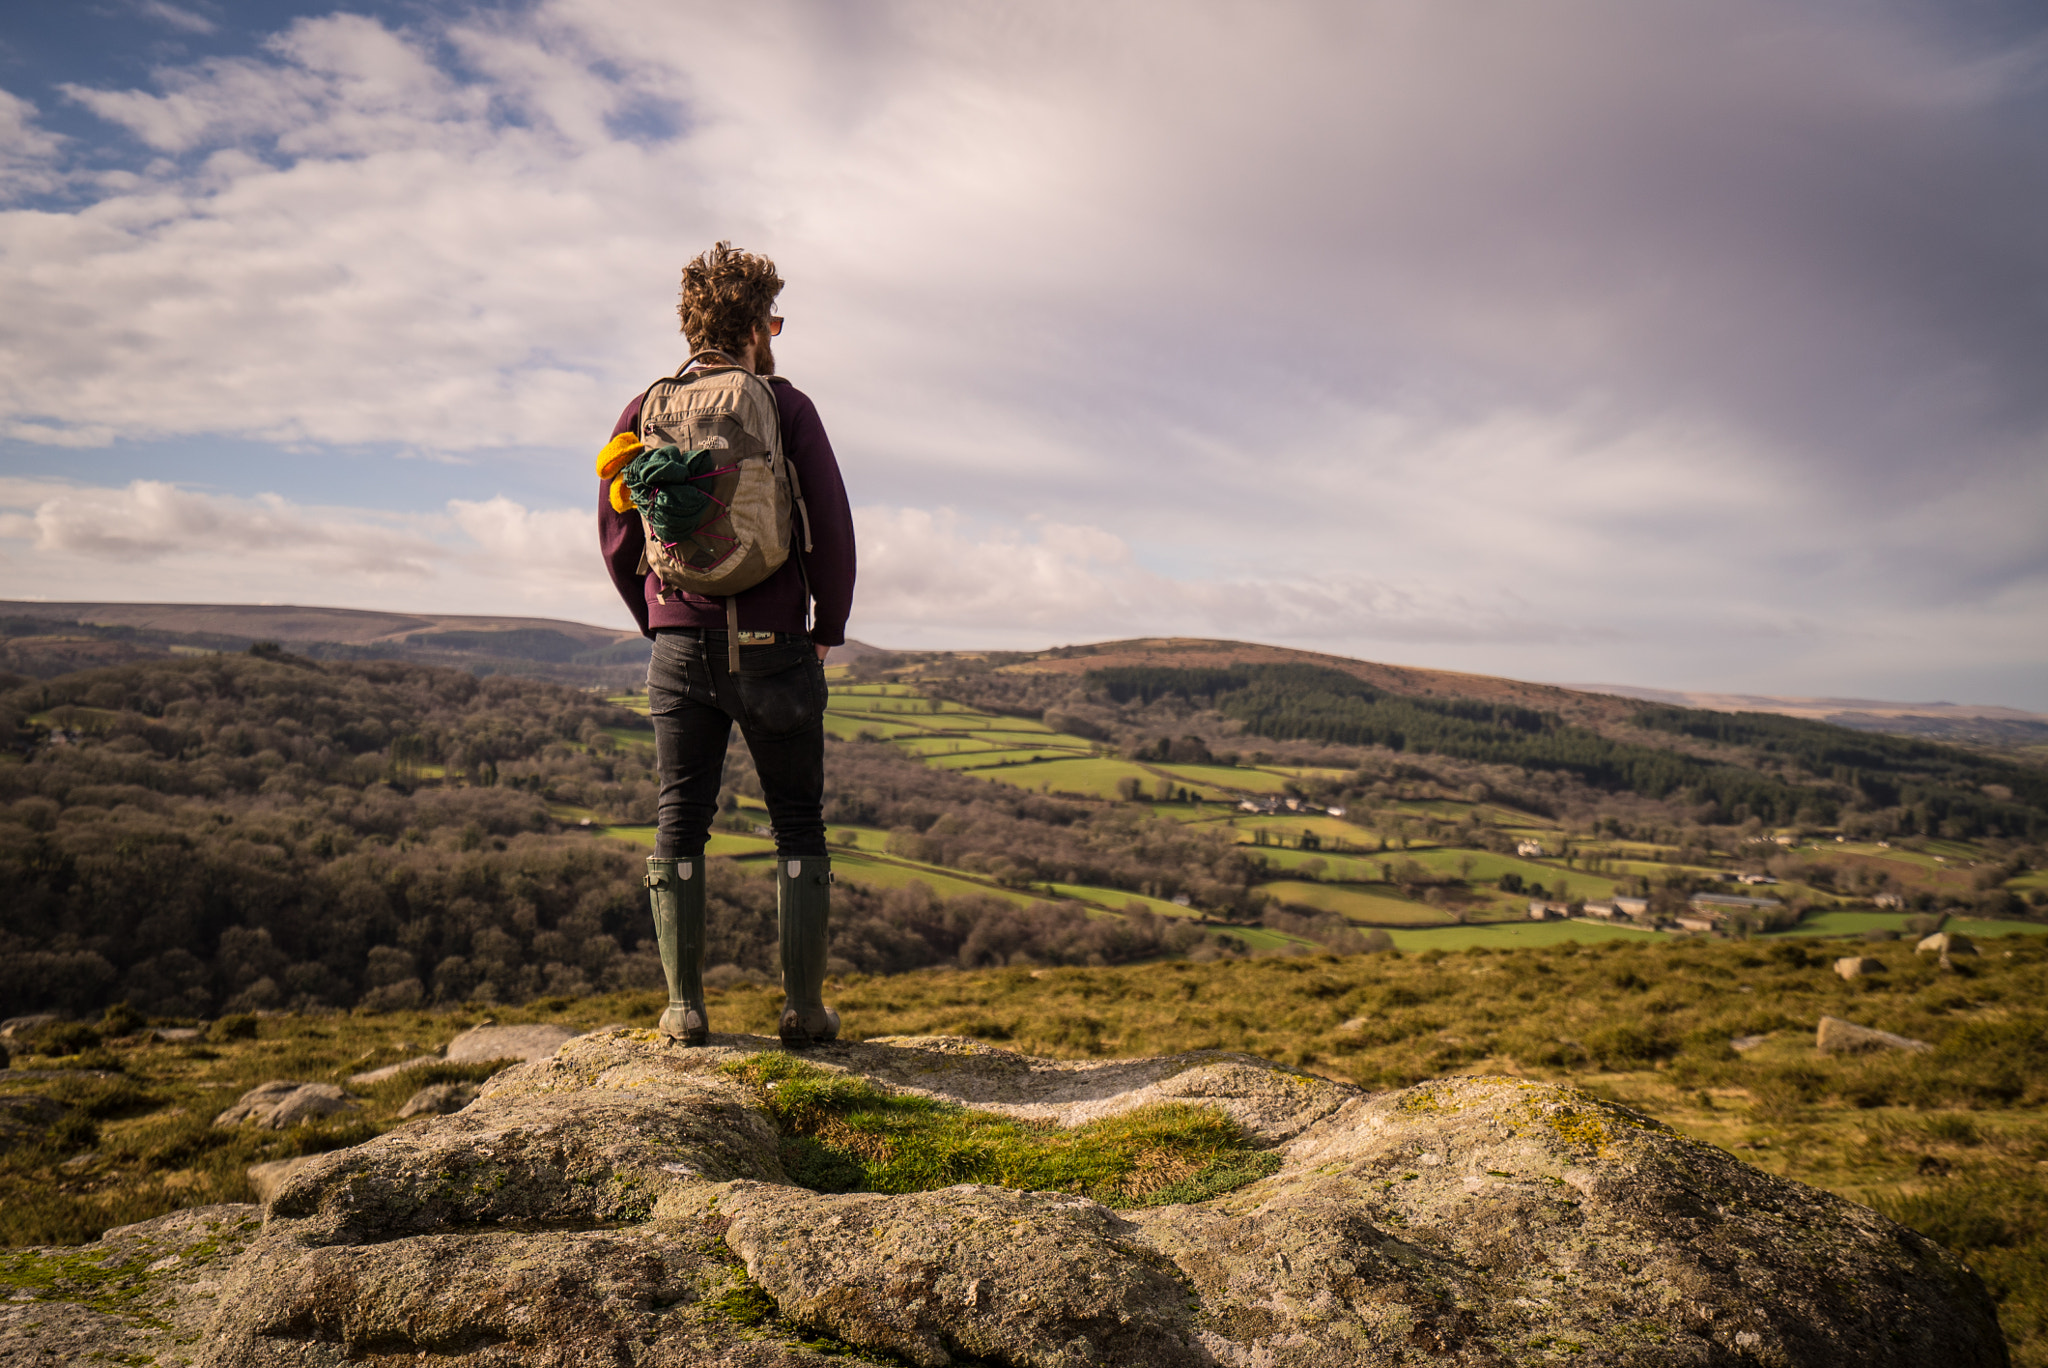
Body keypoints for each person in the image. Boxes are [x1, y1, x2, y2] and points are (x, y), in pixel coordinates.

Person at [599, 242, 855, 1048]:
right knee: (796, 822)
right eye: (773, 319)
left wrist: (661, 621)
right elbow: (832, 527)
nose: (775, 333)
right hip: (777, 643)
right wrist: (826, 631)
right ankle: (803, 1012)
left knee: (681, 819)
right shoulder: (785, 404)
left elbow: (615, 528)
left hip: (680, 641)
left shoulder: (645, 408)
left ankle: (683, 1009)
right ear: (754, 324)